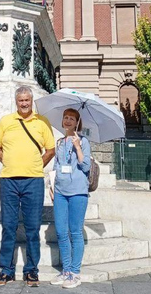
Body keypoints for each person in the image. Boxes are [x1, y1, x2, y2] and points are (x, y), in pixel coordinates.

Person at [0, 86, 55, 288]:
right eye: (21, 101)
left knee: (32, 228)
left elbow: (50, 150)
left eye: (27, 100)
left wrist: (36, 165)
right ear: (16, 101)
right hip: (9, 180)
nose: (24, 104)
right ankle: (6, 270)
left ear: (32, 100)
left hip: (34, 181)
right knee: (8, 227)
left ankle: (31, 271)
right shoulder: (6, 121)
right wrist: (9, 162)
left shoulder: (42, 122)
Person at [49, 109, 91, 289]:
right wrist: (50, 185)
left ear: (77, 122)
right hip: (60, 191)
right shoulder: (59, 142)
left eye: (71, 119)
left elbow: (86, 165)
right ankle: (66, 270)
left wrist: (78, 147)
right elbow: (56, 165)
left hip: (78, 192)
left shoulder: (83, 141)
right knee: (60, 231)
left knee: (75, 232)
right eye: (65, 118)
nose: (67, 121)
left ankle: (75, 272)